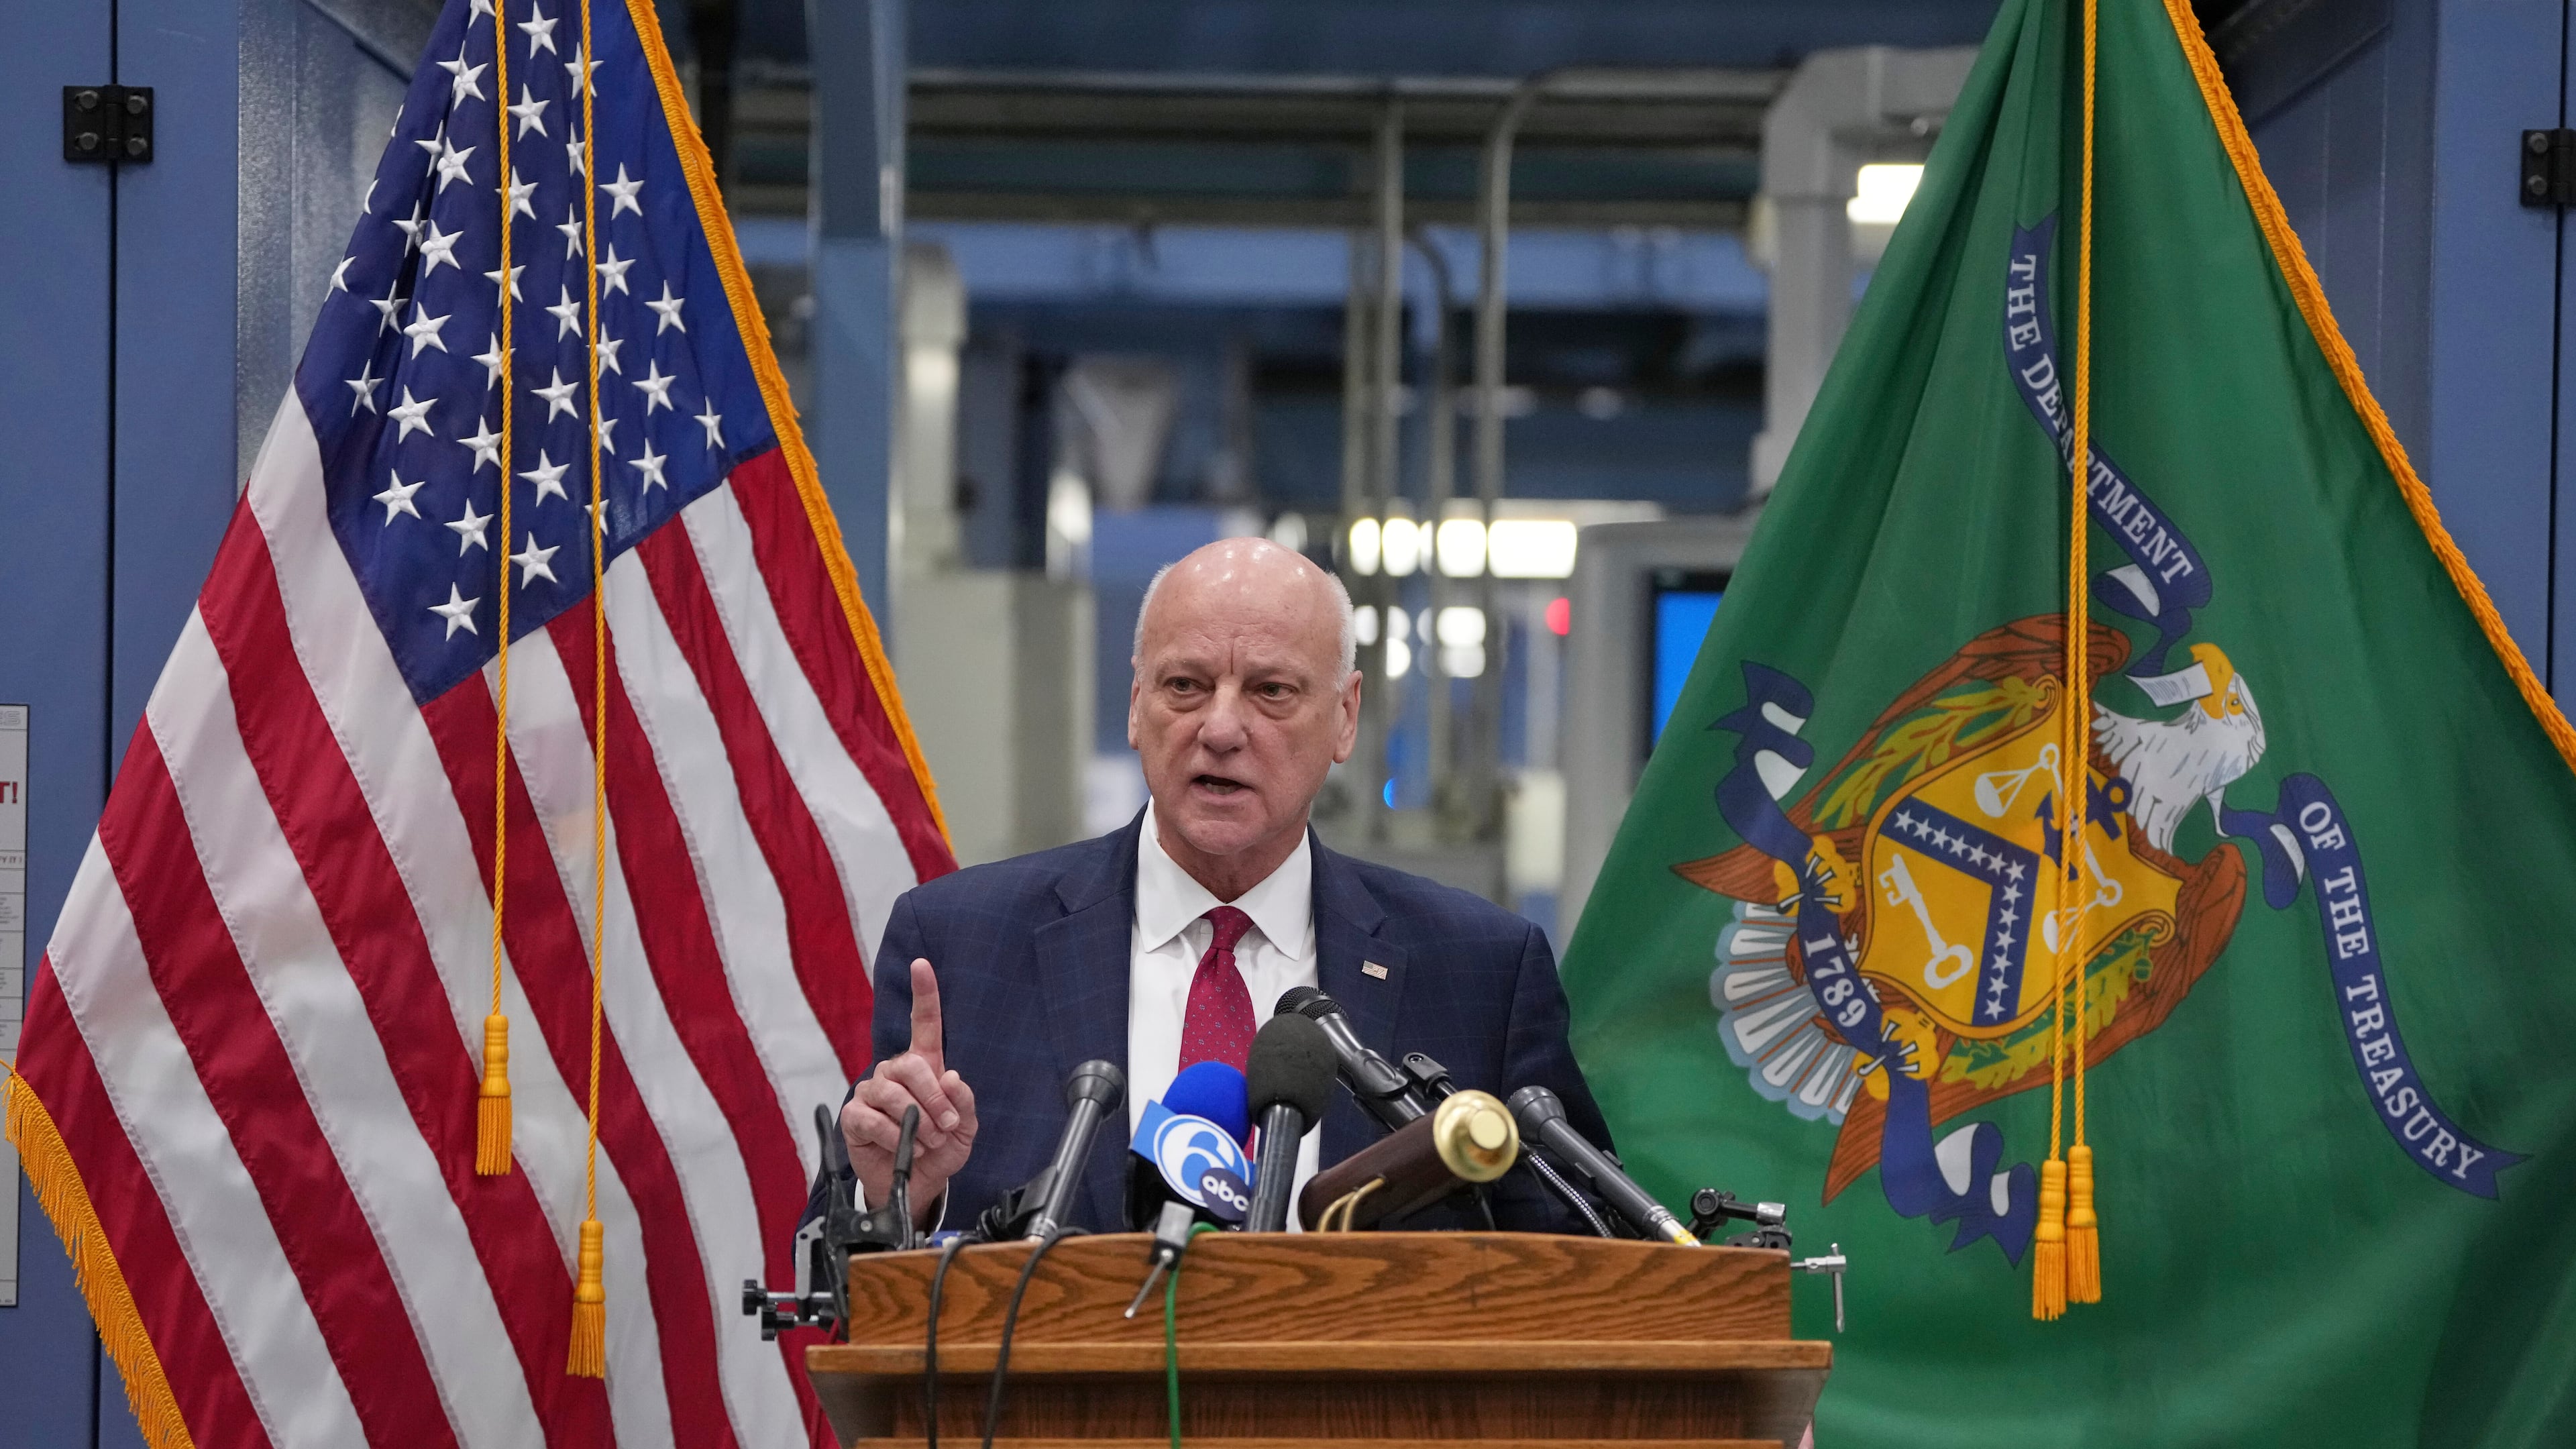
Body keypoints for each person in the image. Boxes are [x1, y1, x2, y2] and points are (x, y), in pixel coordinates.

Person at [834, 537, 1613, 1233]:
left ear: (1345, 718)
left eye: (1271, 690)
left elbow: (1585, 1269)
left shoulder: (1480, 968)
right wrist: (899, 1197)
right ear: (1137, 705)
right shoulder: (962, 947)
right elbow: (840, 1270)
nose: (1220, 728)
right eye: (1185, 685)